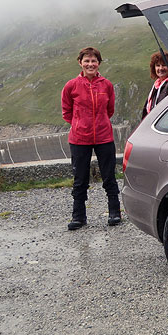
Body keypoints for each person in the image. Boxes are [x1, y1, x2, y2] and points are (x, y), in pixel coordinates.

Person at [61, 46, 121, 230]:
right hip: (79, 139)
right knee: (80, 179)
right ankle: (78, 217)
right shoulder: (71, 86)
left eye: (94, 61)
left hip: (104, 137)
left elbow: (110, 110)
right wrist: (79, 124)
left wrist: (98, 123)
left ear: (99, 63)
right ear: (80, 63)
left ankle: (115, 212)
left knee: (109, 176)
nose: (90, 64)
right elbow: (67, 111)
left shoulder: (107, 85)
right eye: (86, 61)